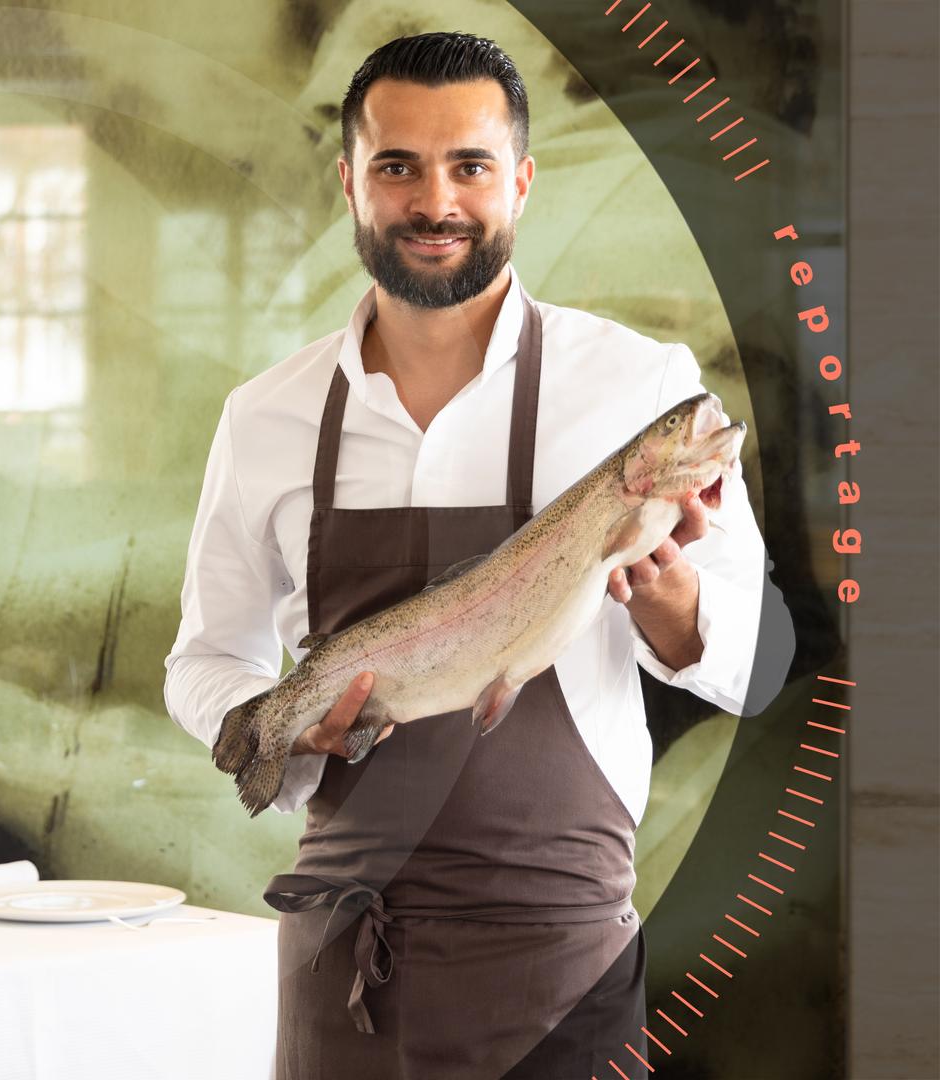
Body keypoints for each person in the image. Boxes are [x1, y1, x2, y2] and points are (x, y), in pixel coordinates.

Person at [163, 32, 778, 1080]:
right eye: (398, 166)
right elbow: (205, 659)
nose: (435, 201)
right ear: (350, 180)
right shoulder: (266, 416)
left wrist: (674, 607)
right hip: (343, 958)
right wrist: (287, 727)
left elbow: (761, 662)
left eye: (471, 167)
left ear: (522, 182)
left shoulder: (638, 386)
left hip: (562, 967)